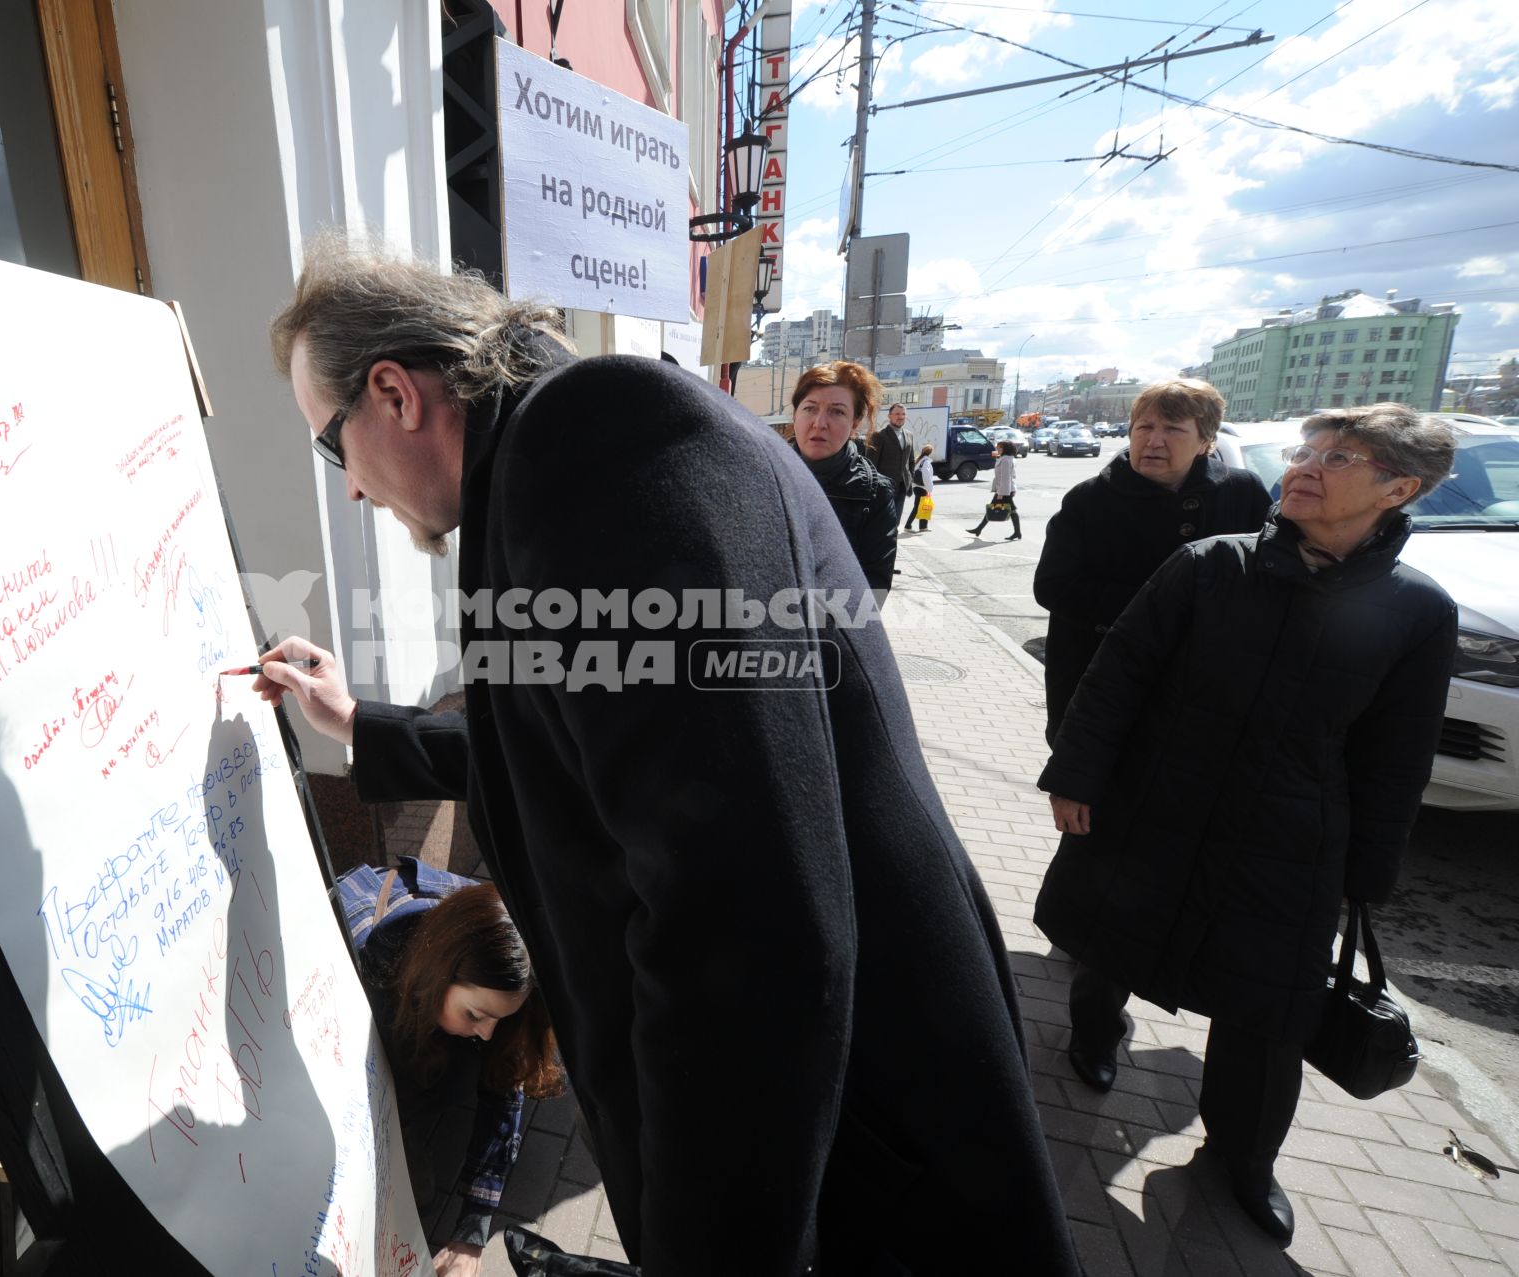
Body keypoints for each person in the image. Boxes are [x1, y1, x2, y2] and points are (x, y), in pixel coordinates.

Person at [255, 234, 1077, 1275]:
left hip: (838, 1140)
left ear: (394, 393)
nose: (353, 492)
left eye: (332, 449)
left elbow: (742, 921)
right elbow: (575, 747)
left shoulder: (597, 444)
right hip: (823, 1119)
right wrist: (363, 725)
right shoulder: (558, 452)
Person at [1036, 404, 1458, 1246]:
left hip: (1289, 839)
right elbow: (1117, 676)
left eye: (1337, 456)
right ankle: (1093, 1034)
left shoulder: (1417, 610)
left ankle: (1241, 1155)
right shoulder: (1208, 566)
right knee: (1112, 937)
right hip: (1155, 804)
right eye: (1306, 449)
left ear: (1398, 488)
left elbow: (1395, 756)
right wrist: (1078, 775)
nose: (1304, 465)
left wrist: (1365, 874)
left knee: (1267, 1010)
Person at [337, 858, 563, 1277]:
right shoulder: (355, 966)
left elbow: (504, 1083)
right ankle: (406, 1127)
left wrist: (472, 1231)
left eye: (500, 1018)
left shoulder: (500, 952)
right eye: (476, 1015)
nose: (488, 1033)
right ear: (437, 977)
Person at [1033, 378, 1272, 745]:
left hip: (1206, 690)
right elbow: (1053, 585)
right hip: (1102, 681)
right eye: (1144, 427)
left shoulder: (1242, 492)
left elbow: (1267, 579)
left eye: (1173, 429)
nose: (1154, 440)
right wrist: (1156, 612)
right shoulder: (1090, 500)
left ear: (1206, 441)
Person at [789, 361, 897, 591]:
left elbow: (872, 592)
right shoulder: (763, 475)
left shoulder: (873, 494)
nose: (820, 423)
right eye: (810, 408)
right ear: (795, 414)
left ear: (855, 423)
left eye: (837, 412)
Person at [868, 400, 915, 528]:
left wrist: (910, 477)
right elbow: (871, 463)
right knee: (883, 520)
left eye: (903, 414)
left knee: (896, 519)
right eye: (897, 414)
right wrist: (875, 486)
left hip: (902, 485)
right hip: (884, 486)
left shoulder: (909, 435)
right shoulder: (879, 436)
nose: (900, 417)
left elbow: (911, 461)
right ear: (889, 416)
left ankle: (892, 542)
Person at [967, 440, 1022, 539]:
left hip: (1004, 490)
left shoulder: (1005, 460)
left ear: (1005, 449)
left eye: (1000, 448)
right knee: (1011, 510)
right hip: (1006, 489)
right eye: (998, 447)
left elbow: (1005, 478)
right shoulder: (1008, 458)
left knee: (994, 508)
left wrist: (1001, 493)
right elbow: (1011, 476)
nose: (998, 449)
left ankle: (979, 529)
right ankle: (1017, 532)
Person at [907, 443, 935, 532]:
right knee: (919, 507)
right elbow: (926, 476)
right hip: (922, 488)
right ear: (930, 452)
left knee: (922, 506)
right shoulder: (926, 462)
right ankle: (908, 526)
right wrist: (929, 489)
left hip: (916, 487)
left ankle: (923, 527)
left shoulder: (919, 460)